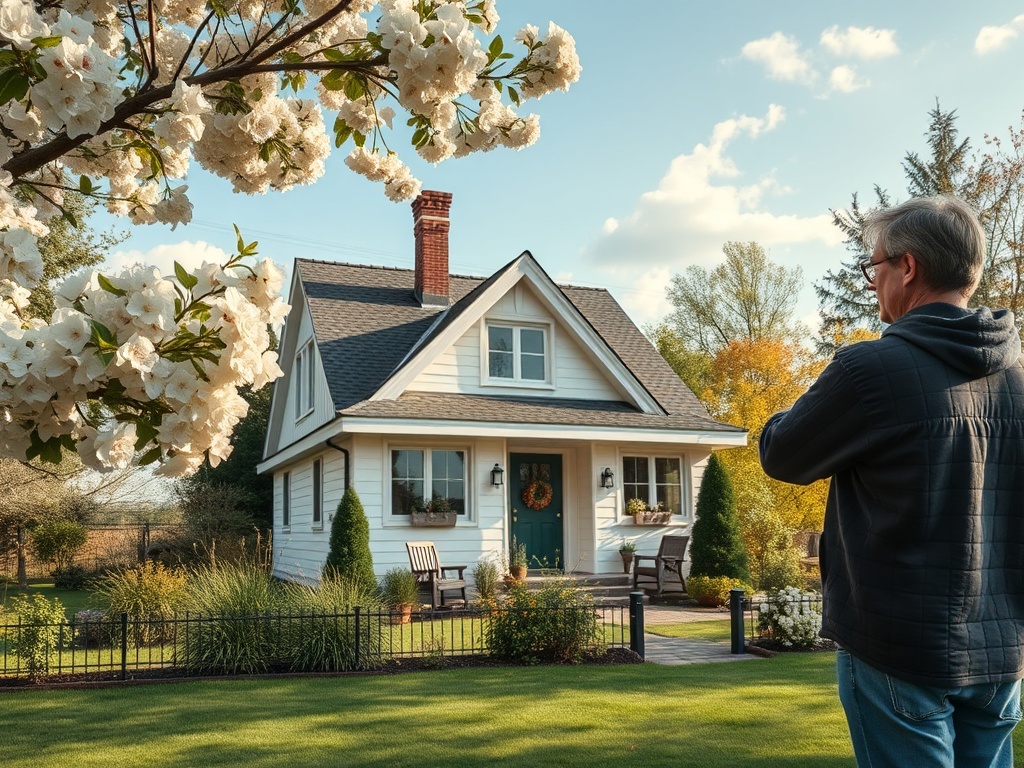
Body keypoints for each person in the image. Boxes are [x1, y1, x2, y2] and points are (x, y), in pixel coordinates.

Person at [759, 195, 1024, 768]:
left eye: (873, 266)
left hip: (900, 647)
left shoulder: (871, 370)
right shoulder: (1019, 376)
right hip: (1002, 651)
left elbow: (782, 454)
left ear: (908, 267)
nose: (871, 281)